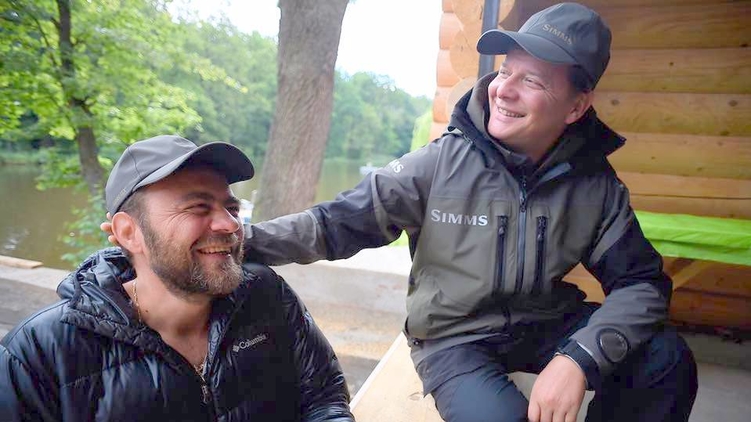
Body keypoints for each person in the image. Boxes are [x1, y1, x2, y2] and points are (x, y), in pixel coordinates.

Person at [237, 3, 699, 422]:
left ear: (576, 107)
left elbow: (641, 284)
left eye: (532, 81)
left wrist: (580, 357)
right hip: (453, 338)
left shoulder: (595, 185)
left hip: (543, 322)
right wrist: (240, 240)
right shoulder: (439, 164)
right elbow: (333, 223)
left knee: (666, 358)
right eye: (505, 71)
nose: (504, 90)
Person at [0, 135, 354, 422]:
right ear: (129, 233)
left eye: (231, 208)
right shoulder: (39, 354)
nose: (231, 224)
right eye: (198, 208)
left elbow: (323, 397)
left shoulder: (266, 294)